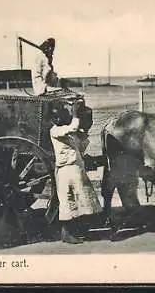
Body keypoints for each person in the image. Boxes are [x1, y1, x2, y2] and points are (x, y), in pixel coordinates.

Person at [49, 100, 102, 244]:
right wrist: (75, 114)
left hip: (76, 168)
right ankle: (66, 233)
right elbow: (73, 127)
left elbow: (81, 146)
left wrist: (84, 134)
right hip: (66, 170)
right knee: (67, 200)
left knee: (80, 198)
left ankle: (76, 230)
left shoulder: (68, 133)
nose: (59, 120)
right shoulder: (55, 131)